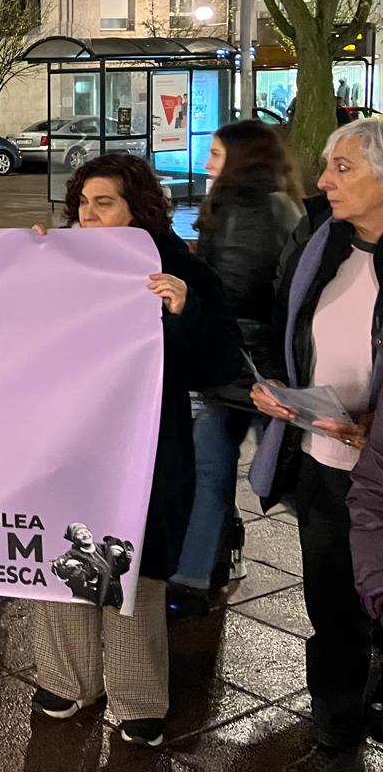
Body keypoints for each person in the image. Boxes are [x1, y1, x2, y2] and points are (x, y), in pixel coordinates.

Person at [29, 153, 238, 749]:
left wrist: (185, 310)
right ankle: (66, 680)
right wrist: (28, 264)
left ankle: (138, 696)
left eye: (106, 203)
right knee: (60, 553)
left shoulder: (178, 267)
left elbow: (221, 360)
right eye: (83, 204)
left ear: (137, 207)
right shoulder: (62, 261)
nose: (90, 216)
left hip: (144, 447)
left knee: (133, 563)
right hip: (64, 440)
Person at [253, 118, 383, 771]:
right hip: (324, 468)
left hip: (379, 474)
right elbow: (288, 333)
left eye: (344, 168)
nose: (324, 180)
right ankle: (337, 731)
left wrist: (377, 427)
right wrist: (277, 387)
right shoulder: (321, 243)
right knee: (332, 610)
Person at [169, 121, 303, 615]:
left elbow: (237, 288)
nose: (207, 163)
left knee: (233, 469)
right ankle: (199, 569)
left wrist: (190, 288)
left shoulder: (246, 207)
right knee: (225, 464)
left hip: (243, 364)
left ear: (240, 159)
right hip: (256, 361)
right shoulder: (271, 201)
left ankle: (195, 574)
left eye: (217, 153)